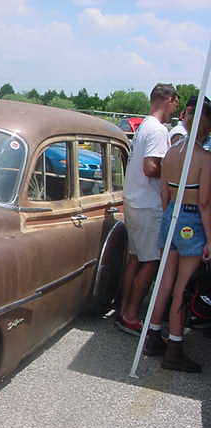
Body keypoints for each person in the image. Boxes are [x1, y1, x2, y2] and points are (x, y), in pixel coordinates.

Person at [143, 95, 211, 372]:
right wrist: (210, 239)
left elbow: (164, 193)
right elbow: (205, 203)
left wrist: (171, 215)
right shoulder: (205, 158)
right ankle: (174, 346)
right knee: (183, 286)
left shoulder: (172, 152)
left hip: (170, 214)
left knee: (165, 281)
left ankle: (152, 335)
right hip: (192, 219)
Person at [117, 83, 179, 335]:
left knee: (135, 259)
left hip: (135, 199)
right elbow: (151, 167)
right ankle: (131, 314)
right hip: (148, 203)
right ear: (169, 100)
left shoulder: (144, 125)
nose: (175, 108)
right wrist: (175, 171)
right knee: (151, 261)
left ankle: (124, 309)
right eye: (176, 102)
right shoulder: (158, 130)